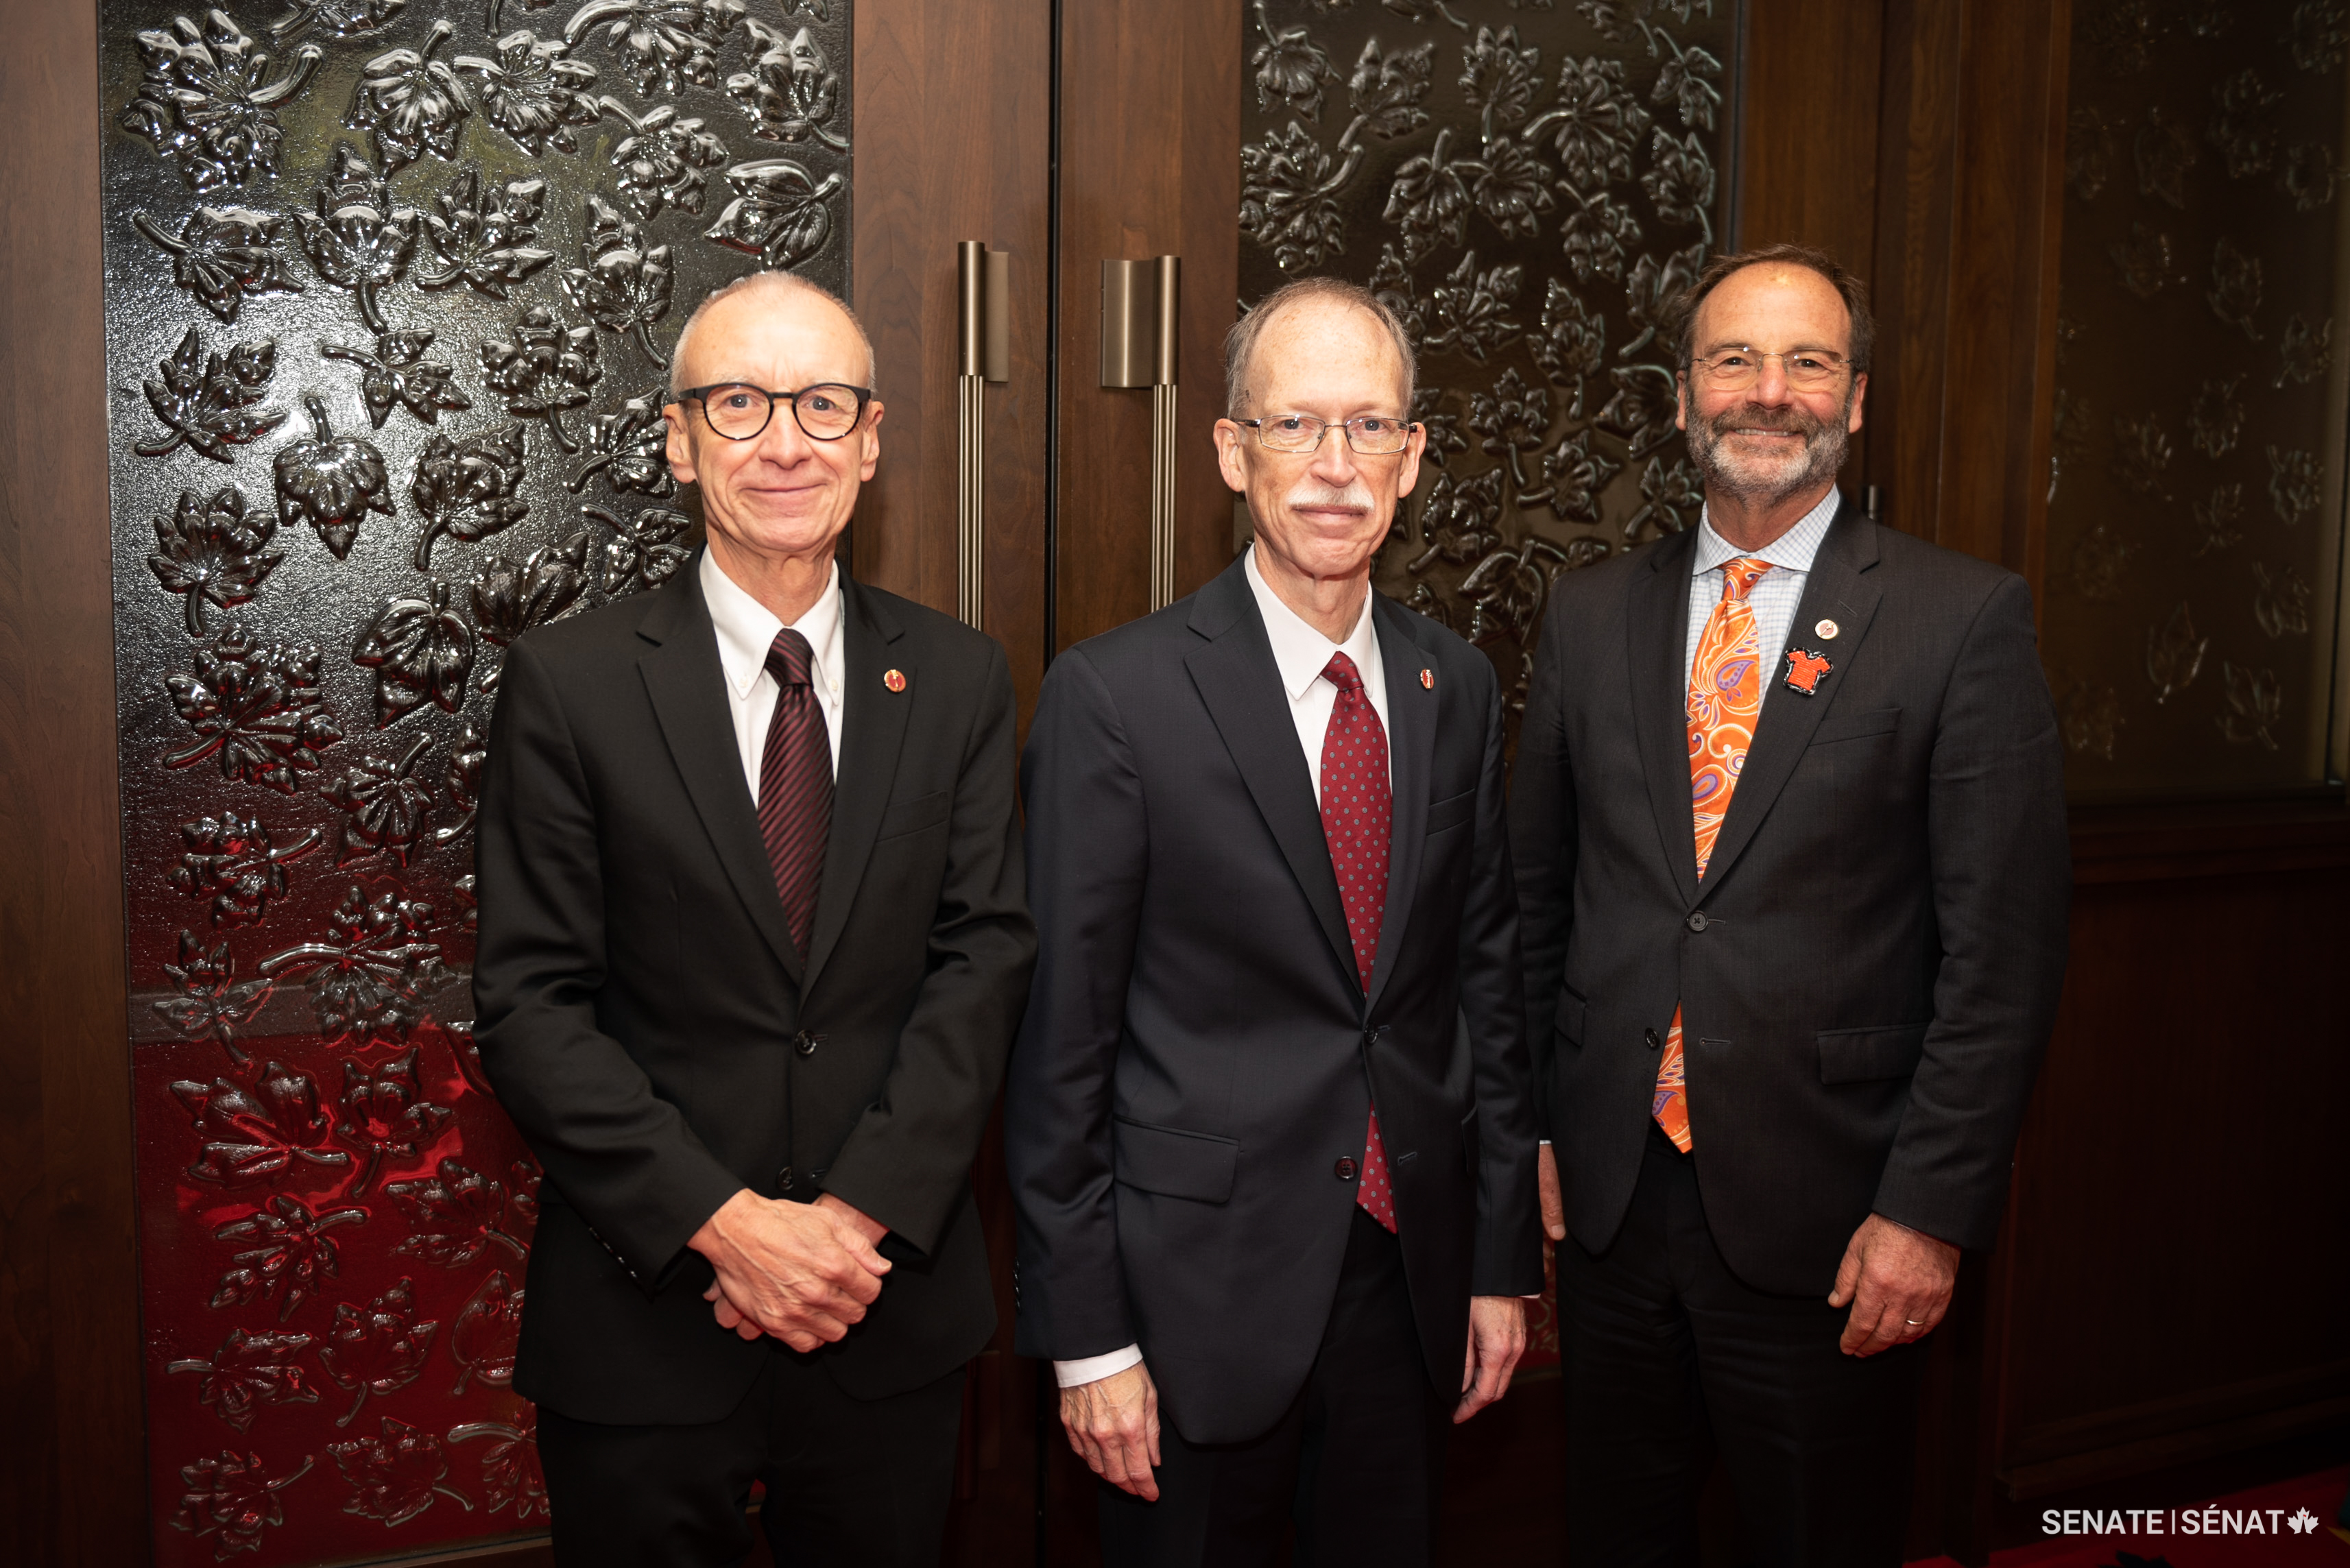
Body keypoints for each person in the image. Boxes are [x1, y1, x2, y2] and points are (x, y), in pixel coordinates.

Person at [1510, 242, 2070, 1565]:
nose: (1770, 391)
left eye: (1808, 361)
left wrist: (1928, 1213)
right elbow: (1534, 905)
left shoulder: (1959, 620)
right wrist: (1528, 1132)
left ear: (1857, 399)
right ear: (1686, 392)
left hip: (1838, 1220)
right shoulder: (1588, 615)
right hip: (1608, 1207)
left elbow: (2004, 957)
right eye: (1734, 360)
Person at [472, 270, 1035, 1567]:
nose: (786, 441)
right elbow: (531, 1006)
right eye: (739, 403)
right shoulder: (570, 685)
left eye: (823, 405)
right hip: (645, 1316)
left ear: (873, 440)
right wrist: (728, 1226)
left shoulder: (955, 676)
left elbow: (985, 958)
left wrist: (847, 1227)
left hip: (883, 1310)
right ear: (678, 439)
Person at [1006, 277, 1544, 1567]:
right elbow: (1059, 1047)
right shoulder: (1115, 697)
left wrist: (1499, 1261)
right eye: (1296, 426)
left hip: (1406, 1278)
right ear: (1232, 450)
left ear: (1413, 460)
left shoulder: (1451, 684)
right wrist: (1089, 1338)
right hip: (1189, 1298)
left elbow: (1487, 991)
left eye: (1369, 429)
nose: (1334, 468)